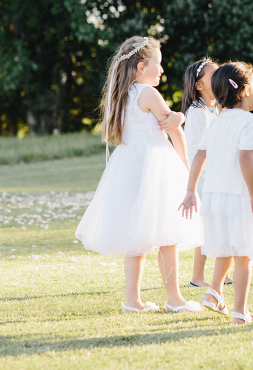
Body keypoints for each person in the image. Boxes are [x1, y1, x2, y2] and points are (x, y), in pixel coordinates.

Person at [76, 35, 203, 313]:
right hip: (155, 164)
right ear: (140, 67)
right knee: (167, 234)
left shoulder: (119, 95)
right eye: (158, 63)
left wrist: (178, 118)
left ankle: (132, 301)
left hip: (128, 165)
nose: (162, 69)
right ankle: (174, 299)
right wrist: (184, 162)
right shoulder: (148, 93)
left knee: (137, 238)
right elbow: (174, 130)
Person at [179, 61, 253, 324]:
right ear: (246, 90)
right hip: (240, 196)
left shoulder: (216, 122)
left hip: (216, 197)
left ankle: (214, 293)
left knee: (226, 249)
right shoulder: (250, 121)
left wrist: (191, 190)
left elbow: (199, 156)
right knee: (243, 256)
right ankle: (240, 312)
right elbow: (245, 159)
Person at [180, 58, 233, 287]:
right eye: (213, 76)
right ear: (199, 85)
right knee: (206, 227)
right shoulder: (197, 112)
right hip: (204, 177)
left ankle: (223, 272)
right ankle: (197, 277)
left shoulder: (218, 109)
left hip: (219, 174)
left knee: (222, 223)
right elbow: (194, 150)